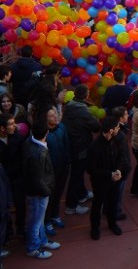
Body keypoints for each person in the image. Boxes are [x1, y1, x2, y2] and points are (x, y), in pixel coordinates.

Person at [22, 108, 60, 259]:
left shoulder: (29, 143)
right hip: (39, 193)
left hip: (37, 190)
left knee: (38, 220)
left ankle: (42, 241)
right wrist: (47, 191)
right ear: (46, 133)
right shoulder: (38, 152)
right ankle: (33, 248)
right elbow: (37, 179)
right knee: (35, 222)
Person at [86, 116, 131, 240]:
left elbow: (121, 156)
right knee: (97, 204)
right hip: (100, 182)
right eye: (117, 127)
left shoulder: (116, 140)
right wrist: (109, 174)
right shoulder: (95, 147)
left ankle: (112, 223)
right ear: (111, 130)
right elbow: (90, 168)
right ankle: (95, 228)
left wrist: (118, 170)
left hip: (114, 180)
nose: (119, 129)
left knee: (113, 202)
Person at [62, 84, 100, 215]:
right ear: (86, 95)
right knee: (77, 174)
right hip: (81, 146)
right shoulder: (83, 111)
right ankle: (71, 205)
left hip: (71, 143)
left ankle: (82, 193)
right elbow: (96, 127)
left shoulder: (68, 107)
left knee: (78, 171)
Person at [43, 105, 70, 236]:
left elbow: (67, 145)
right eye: (52, 115)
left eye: (55, 114)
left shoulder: (62, 128)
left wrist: (67, 161)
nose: (55, 116)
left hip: (63, 168)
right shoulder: (43, 133)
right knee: (50, 197)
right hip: (50, 172)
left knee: (58, 194)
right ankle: (47, 221)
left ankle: (54, 215)